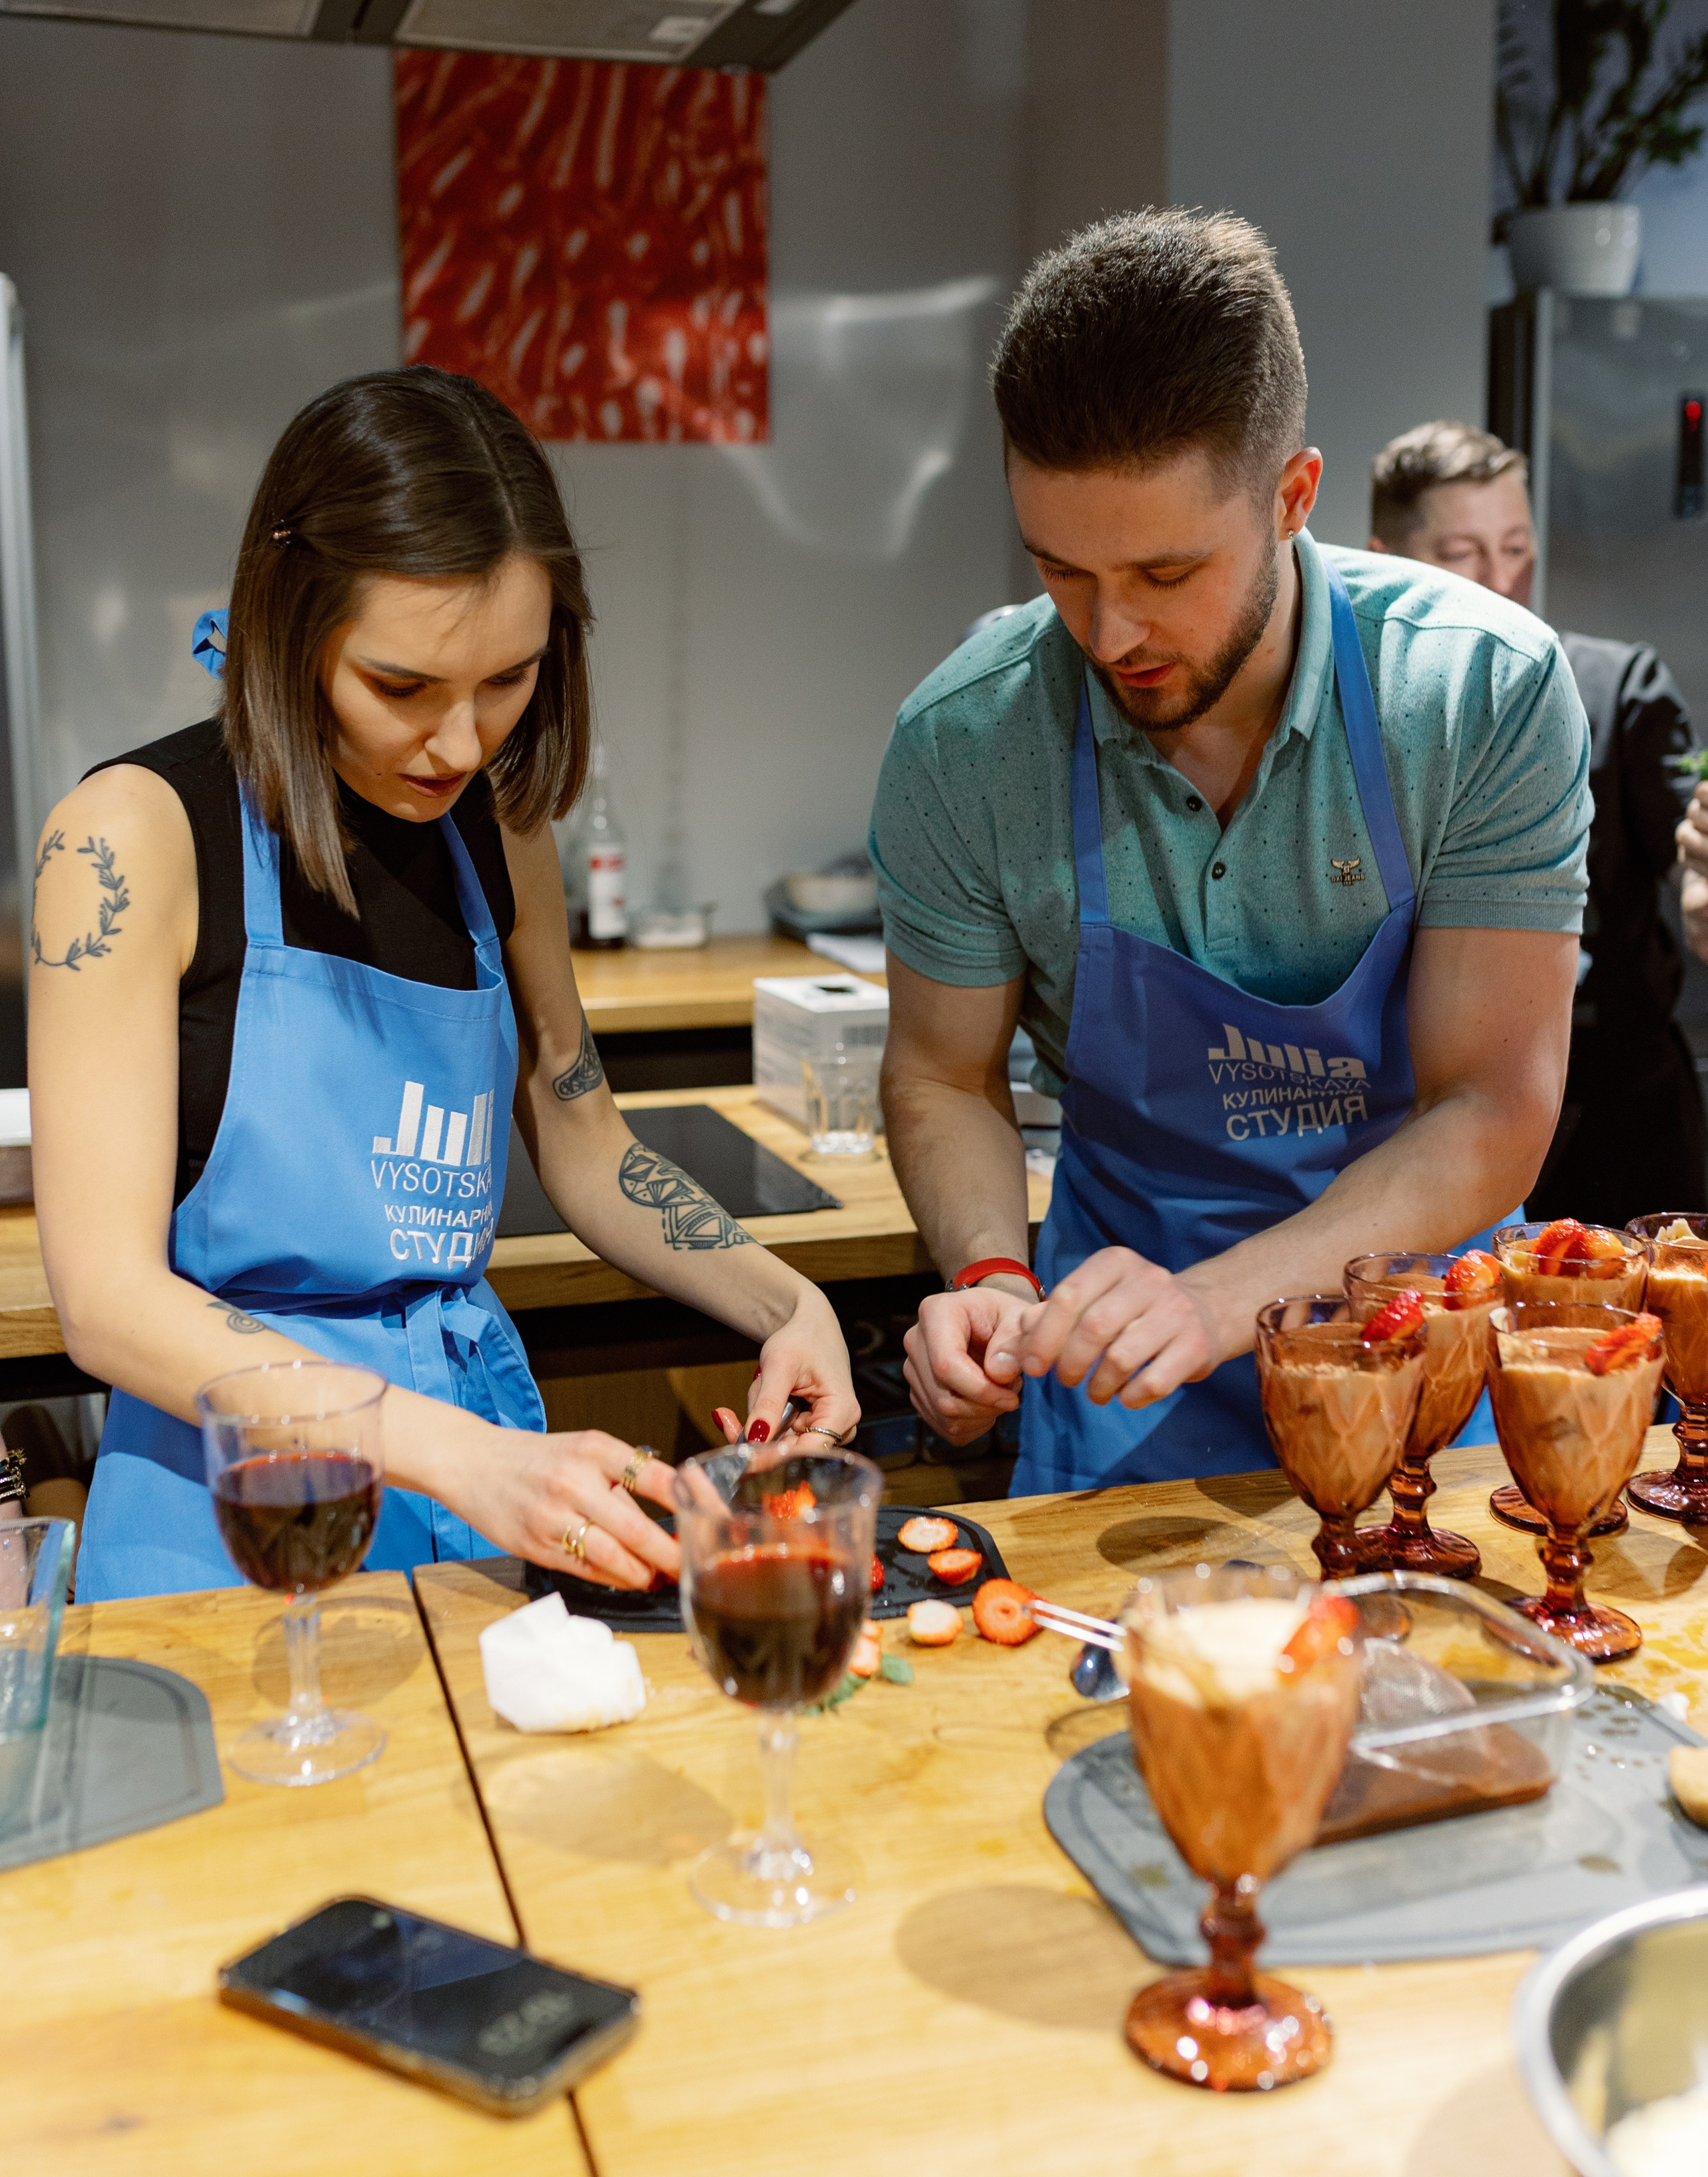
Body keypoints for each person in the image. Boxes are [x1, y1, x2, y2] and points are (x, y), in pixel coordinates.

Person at [33, 368, 859, 1601]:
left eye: (508, 681)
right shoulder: (124, 841)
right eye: (403, 688)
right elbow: (105, 1302)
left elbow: (586, 1146)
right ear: (288, 615)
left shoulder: (498, 827)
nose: (463, 745)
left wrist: (791, 1301)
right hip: (232, 1504)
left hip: (469, 1484)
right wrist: (457, 1456)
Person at [871, 209, 1591, 1492]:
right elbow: (940, 1075)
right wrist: (987, 1276)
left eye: (1166, 569)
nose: (1111, 631)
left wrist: (1219, 1302)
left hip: (1421, 1355)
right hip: (1120, 1373)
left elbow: (1492, 1106)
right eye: (1061, 570)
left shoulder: (1476, 691)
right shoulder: (969, 736)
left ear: (1294, 497)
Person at [1370, 421, 1706, 1225]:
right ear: (1382, 556)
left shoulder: (1616, 685)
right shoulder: (1356, 715)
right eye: (1462, 553)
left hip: (1614, 1118)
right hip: (1414, 1122)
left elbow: (1687, 856)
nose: (1499, 578)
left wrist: (1702, 882)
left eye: (1515, 546)